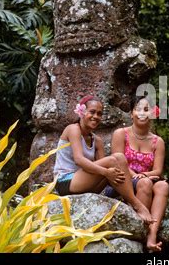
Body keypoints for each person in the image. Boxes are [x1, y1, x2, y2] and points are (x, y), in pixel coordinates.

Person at [53, 95, 154, 224]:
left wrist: (134, 179)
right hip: (65, 182)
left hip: (84, 183)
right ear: (82, 112)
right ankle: (137, 205)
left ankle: (131, 203)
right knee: (115, 159)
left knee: (118, 160)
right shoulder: (73, 129)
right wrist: (107, 172)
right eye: (92, 112)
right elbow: (79, 160)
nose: (96, 116)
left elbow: (108, 173)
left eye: (99, 114)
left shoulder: (97, 141)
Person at [111, 96, 169, 252]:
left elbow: (158, 171)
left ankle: (151, 235)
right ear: (131, 114)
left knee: (163, 185)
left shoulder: (158, 141)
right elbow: (117, 161)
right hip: (122, 180)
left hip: (145, 179)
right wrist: (136, 176)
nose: (142, 113)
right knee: (145, 183)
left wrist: (143, 175)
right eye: (138, 109)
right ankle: (138, 231)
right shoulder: (120, 134)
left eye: (147, 109)